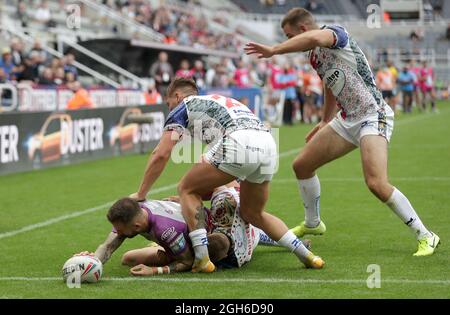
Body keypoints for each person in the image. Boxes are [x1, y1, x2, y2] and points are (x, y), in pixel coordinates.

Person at [244, 7, 439, 256]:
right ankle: (313, 224)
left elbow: (315, 38)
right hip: (346, 119)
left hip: (372, 114)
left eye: (288, 35)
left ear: (302, 29)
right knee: (302, 165)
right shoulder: (315, 56)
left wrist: (274, 50)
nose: (287, 41)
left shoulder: (334, 33)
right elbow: (329, 85)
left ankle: (426, 235)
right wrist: (325, 120)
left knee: (376, 183)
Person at [129, 77, 324, 272]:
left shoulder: (182, 108)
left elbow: (160, 154)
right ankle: (307, 256)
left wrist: (141, 193)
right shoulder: (215, 102)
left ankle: (202, 259)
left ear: (177, 96)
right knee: (253, 213)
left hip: (238, 140)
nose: (169, 108)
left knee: (185, 189)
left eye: (168, 103)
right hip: (268, 142)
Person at [76, 184, 311, 276]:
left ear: (136, 226)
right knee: (128, 257)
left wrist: (156, 271)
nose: (117, 233)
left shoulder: (167, 230)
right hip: (179, 231)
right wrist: (95, 260)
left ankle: (268, 238)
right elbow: (112, 241)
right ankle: (273, 238)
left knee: (235, 242)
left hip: (200, 238)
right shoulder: (136, 211)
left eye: (121, 230)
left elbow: (189, 263)